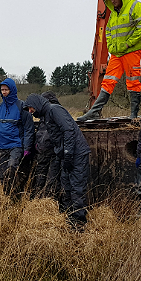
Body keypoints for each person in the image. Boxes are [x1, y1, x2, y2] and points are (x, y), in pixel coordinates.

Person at [78, 0, 141, 121]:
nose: (113, 0)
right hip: (117, 54)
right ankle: (94, 111)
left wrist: (129, 43)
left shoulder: (135, 6)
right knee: (107, 82)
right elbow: (108, 32)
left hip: (132, 51)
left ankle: (133, 114)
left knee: (133, 81)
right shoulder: (112, 15)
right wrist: (111, 47)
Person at [24, 93, 90, 230]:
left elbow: (69, 131)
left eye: (31, 108)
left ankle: (79, 222)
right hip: (66, 155)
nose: (31, 112)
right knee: (65, 186)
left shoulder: (54, 110)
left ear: (36, 104)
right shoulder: (46, 115)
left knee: (76, 186)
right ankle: (67, 216)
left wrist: (68, 153)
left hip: (77, 154)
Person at [0, 78, 35, 197]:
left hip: (16, 145)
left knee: (12, 169)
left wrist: (27, 147)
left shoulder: (21, 106)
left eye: (6, 89)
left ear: (12, 90)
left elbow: (29, 129)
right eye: (2, 90)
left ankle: (16, 196)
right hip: (2, 146)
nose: (4, 92)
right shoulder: (0, 107)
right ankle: (8, 196)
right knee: (3, 173)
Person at [30, 91, 62, 199]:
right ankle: (38, 200)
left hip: (52, 152)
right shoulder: (44, 115)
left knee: (52, 178)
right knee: (40, 177)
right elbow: (41, 133)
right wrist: (36, 144)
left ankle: (49, 201)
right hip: (42, 151)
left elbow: (53, 134)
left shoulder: (54, 112)